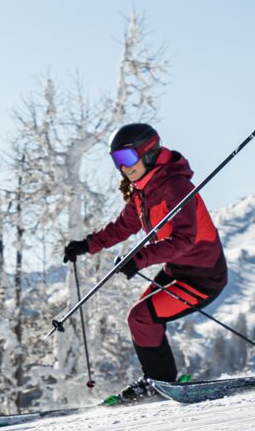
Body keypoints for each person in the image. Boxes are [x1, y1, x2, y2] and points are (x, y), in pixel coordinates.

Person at [63, 123, 228, 401]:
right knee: (139, 319)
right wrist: (87, 245)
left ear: (148, 153)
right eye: (117, 161)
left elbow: (184, 240)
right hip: (176, 270)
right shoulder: (143, 190)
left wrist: (139, 259)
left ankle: (159, 383)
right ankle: (161, 381)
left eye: (127, 158)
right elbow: (122, 227)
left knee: (142, 316)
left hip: (202, 276)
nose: (123, 167)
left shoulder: (176, 187)